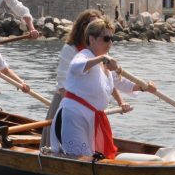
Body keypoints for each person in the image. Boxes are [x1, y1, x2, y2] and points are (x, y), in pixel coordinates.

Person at [50, 18, 154, 158]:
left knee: (92, 157)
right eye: (106, 38)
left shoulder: (106, 62)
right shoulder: (84, 56)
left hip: (92, 117)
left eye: (112, 39)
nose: (110, 43)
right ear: (91, 39)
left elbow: (122, 84)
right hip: (74, 116)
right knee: (79, 158)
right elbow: (75, 68)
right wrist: (102, 59)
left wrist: (144, 87)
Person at [40, 8, 102, 148]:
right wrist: (78, 107)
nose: (95, 29)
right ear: (82, 27)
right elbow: (62, 84)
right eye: (92, 25)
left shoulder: (98, 51)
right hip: (66, 105)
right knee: (57, 146)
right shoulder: (70, 49)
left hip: (87, 109)